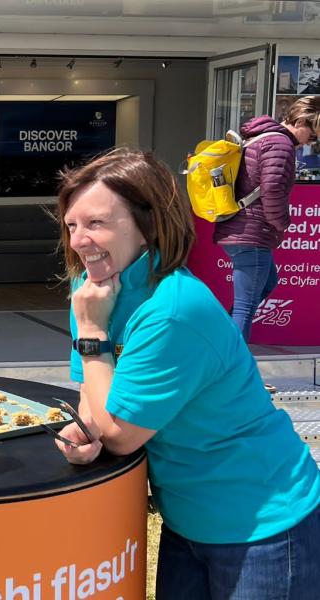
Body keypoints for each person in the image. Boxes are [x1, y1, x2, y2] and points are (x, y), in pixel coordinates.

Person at [53, 148, 320, 599]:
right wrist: (86, 434)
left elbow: (120, 434)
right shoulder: (91, 289)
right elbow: (92, 396)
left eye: (97, 223)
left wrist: (95, 334)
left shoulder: (173, 308)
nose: (80, 241)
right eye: (72, 224)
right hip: (187, 517)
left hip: (261, 520)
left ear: (149, 224)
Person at [213, 97, 320, 351]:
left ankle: (222, 345)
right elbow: (272, 189)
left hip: (242, 229)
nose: (311, 141)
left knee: (268, 281)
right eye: (313, 134)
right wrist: (282, 222)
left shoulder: (264, 137)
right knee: (246, 305)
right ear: (302, 121)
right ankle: (230, 369)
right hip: (253, 231)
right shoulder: (281, 145)